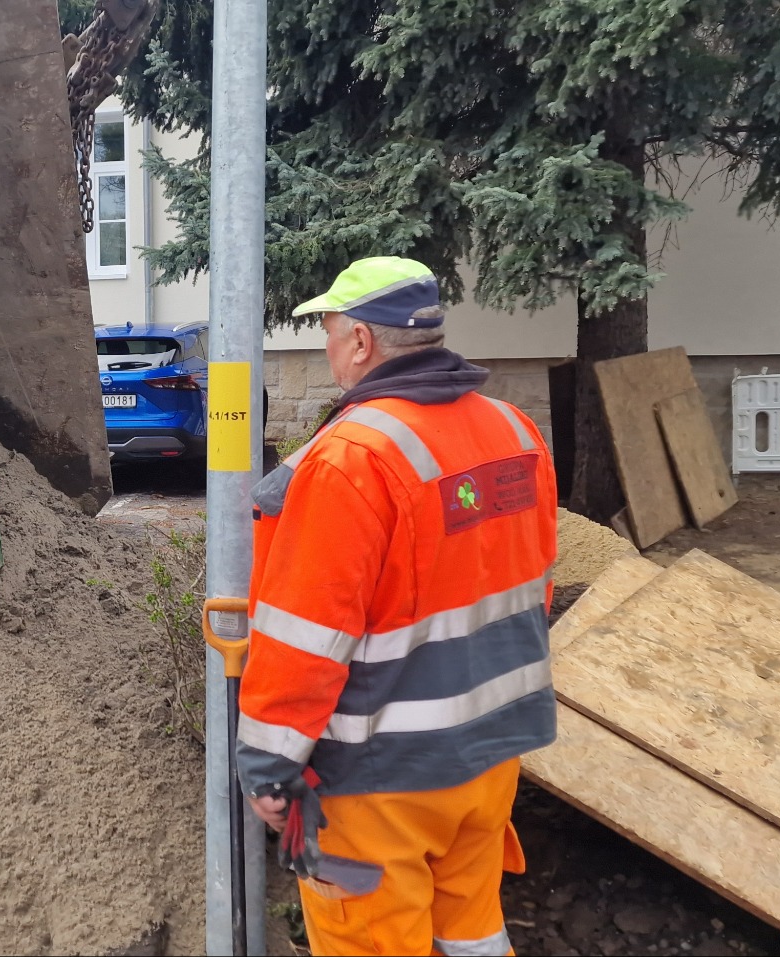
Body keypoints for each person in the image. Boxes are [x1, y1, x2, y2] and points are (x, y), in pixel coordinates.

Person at [236, 256, 558, 956]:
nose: (326, 346)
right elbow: (535, 584)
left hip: (381, 781)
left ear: (360, 341)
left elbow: (304, 639)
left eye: (327, 330)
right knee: (470, 933)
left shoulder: (352, 459)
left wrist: (268, 766)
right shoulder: (514, 429)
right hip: (490, 759)